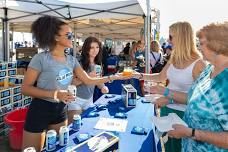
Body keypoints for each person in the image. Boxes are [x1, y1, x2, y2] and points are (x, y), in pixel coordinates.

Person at [21, 15, 128, 151]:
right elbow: (25, 89)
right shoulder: (41, 58)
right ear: (56, 37)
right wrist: (55, 94)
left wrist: (114, 77)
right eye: (69, 35)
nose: (73, 37)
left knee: (59, 148)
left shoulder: (71, 60)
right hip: (40, 109)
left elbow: (88, 80)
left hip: (60, 110)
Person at [133, 21, 206, 152]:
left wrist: (167, 95)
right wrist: (139, 76)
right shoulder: (174, 58)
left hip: (185, 117)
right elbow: (161, 77)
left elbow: (198, 99)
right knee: (169, 148)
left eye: (171, 37)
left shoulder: (199, 64)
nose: (168, 40)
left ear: (182, 37)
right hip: (168, 112)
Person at [168, 22, 228, 151]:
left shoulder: (225, 81)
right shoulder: (209, 70)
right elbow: (191, 98)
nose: (198, 48)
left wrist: (192, 133)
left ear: (217, 46)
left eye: (201, 43)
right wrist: (167, 94)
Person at [67, 37, 109, 124]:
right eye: (92, 47)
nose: (95, 50)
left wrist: (103, 87)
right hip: (75, 99)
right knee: (74, 126)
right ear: (86, 49)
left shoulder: (98, 64)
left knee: (87, 124)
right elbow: (71, 83)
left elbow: (98, 80)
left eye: (97, 47)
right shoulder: (78, 63)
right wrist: (87, 78)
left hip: (89, 99)